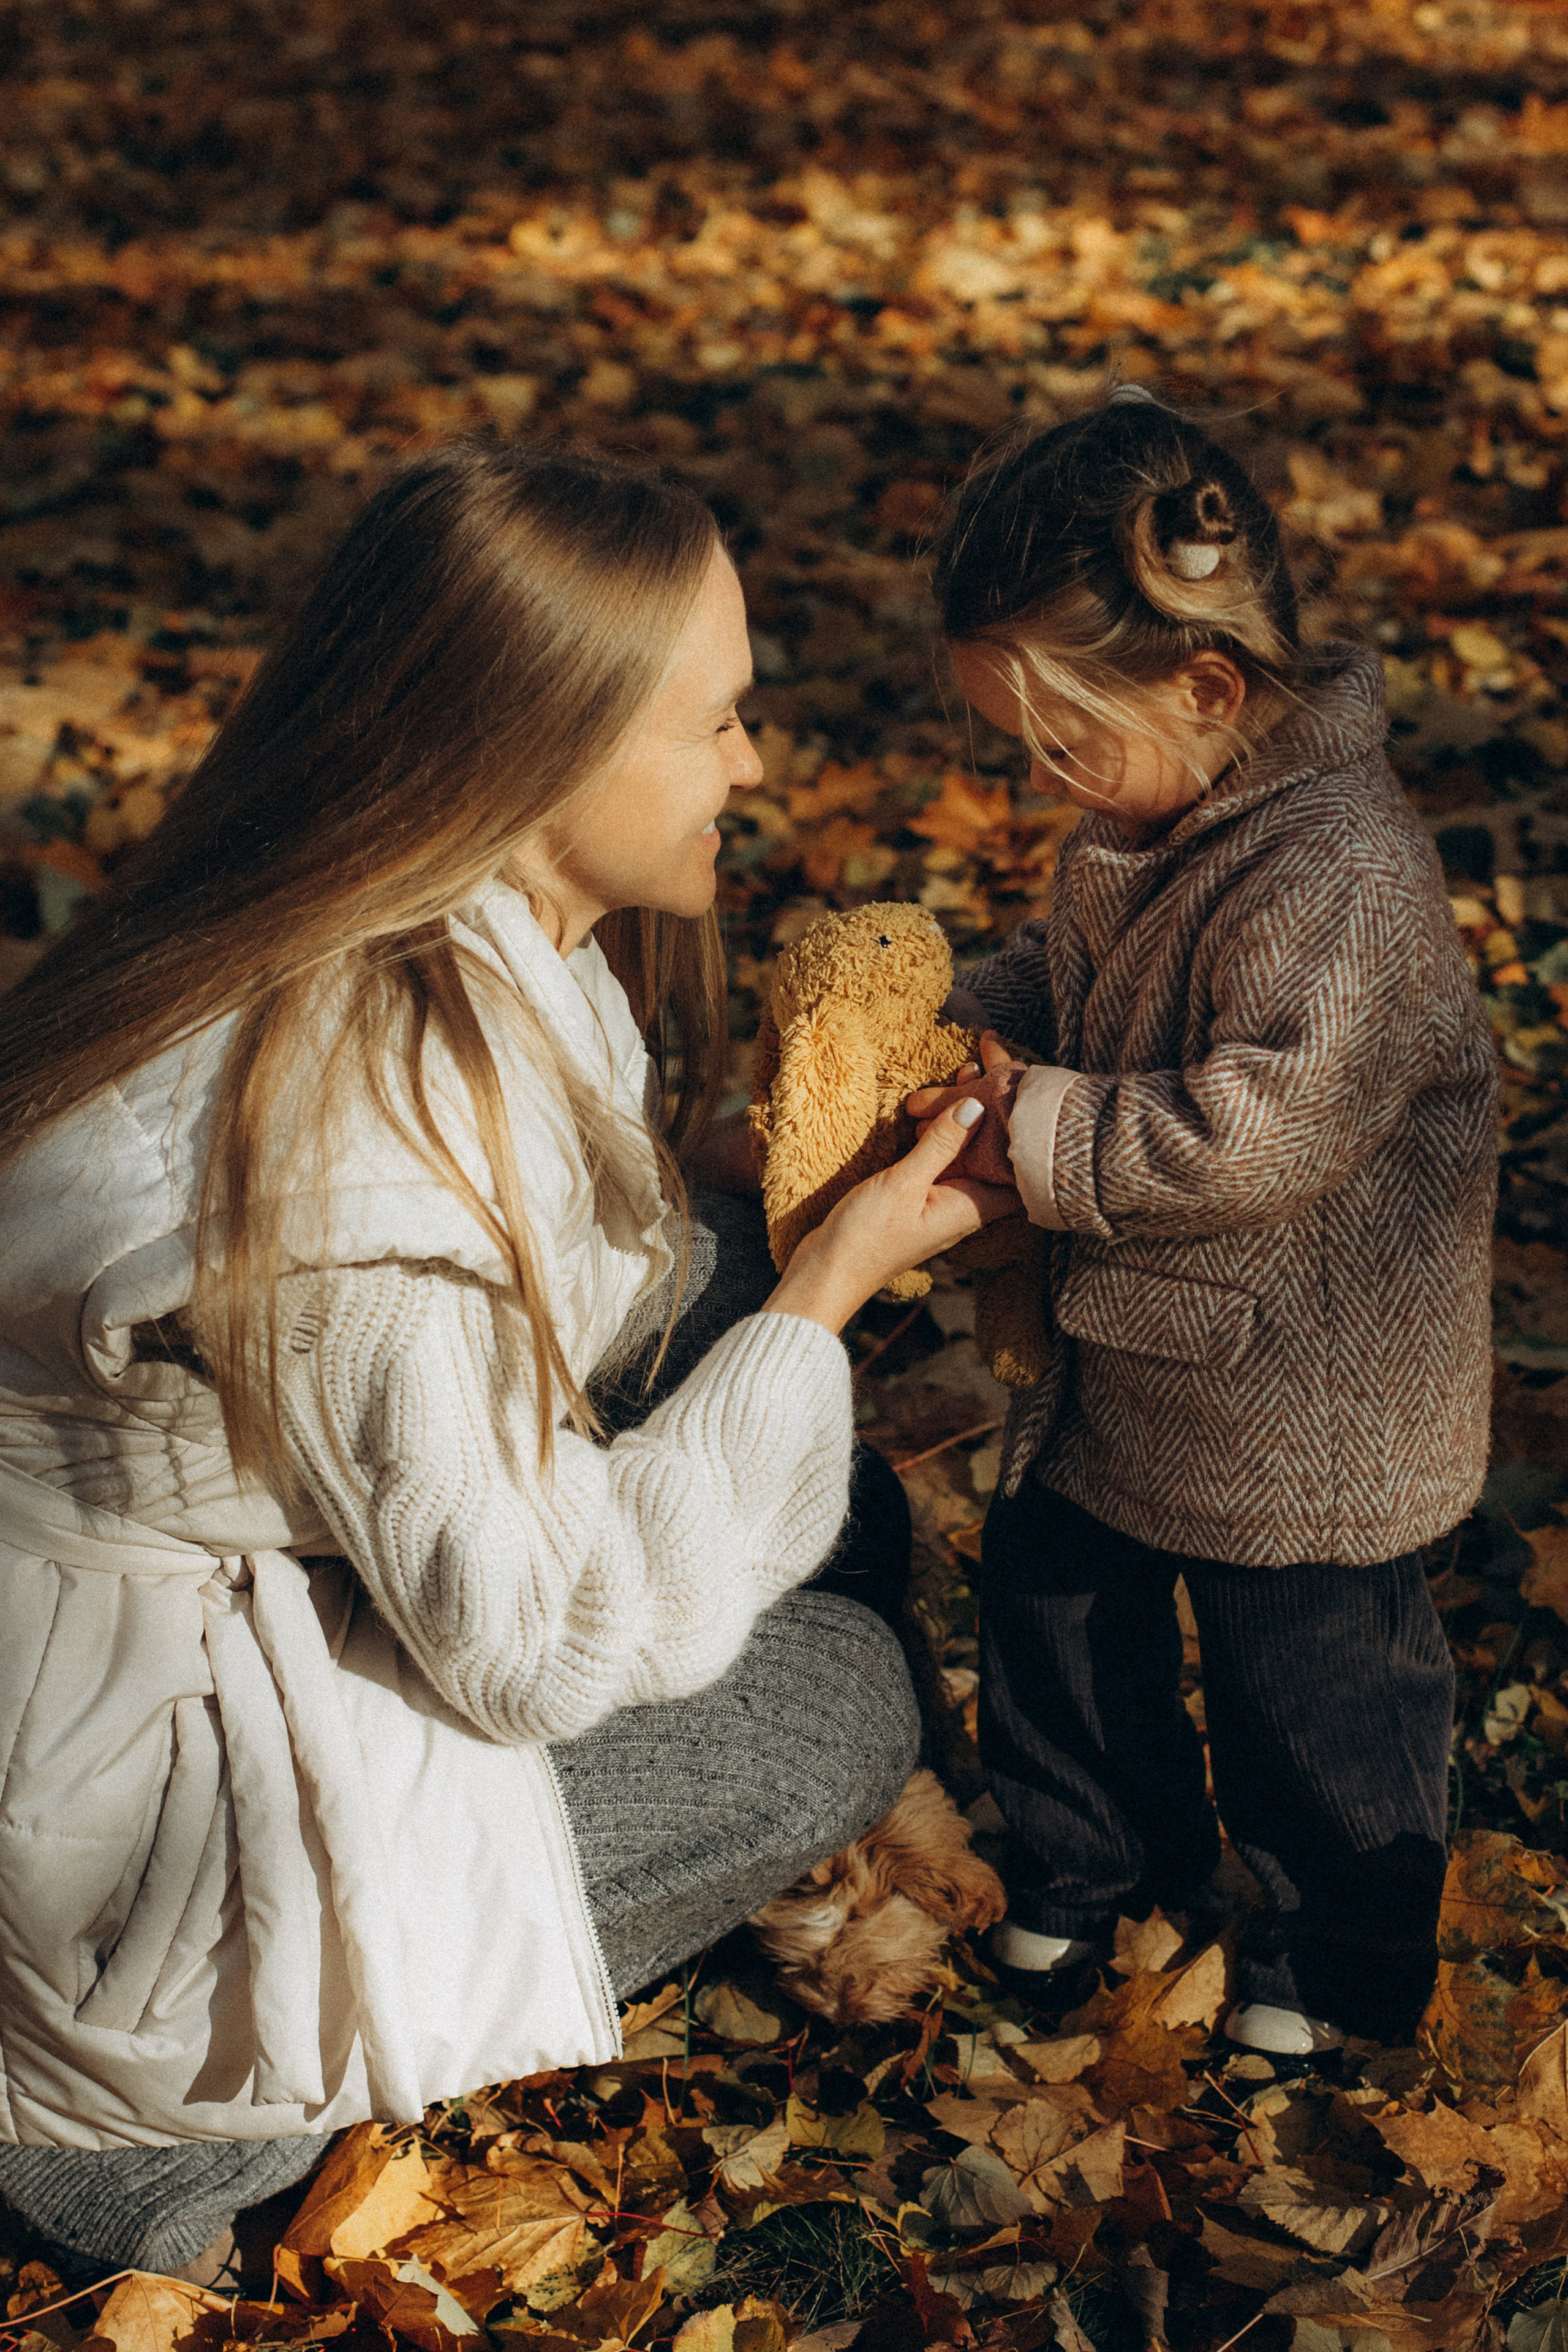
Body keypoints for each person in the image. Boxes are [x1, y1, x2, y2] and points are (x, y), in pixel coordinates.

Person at [0, 444, 1008, 2278]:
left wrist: (762, 1227)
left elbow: (564, 1262)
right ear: (544, 748)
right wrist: (830, 1290)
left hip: (181, 1598)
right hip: (127, 1823)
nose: (755, 767)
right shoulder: (369, 1142)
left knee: (710, 1281)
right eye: (719, 724)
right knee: (839, 1697)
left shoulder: (385, 918)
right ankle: (148, 2145)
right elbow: (536, 1647)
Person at [907, 386, 1496, 2055]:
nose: (1047, 782)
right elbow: (1077, 989)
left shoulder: (1342, 876)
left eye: (1062, 742)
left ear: (1209, 688)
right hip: (1133, 1358)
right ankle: (1097, 1872)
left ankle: (1343, 1949)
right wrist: (972, 1020)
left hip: (1304, 1395)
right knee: (1059, 1615)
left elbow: (1271, 1123)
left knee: (1310, 1683)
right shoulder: (1143, 816)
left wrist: (1039, 1131)